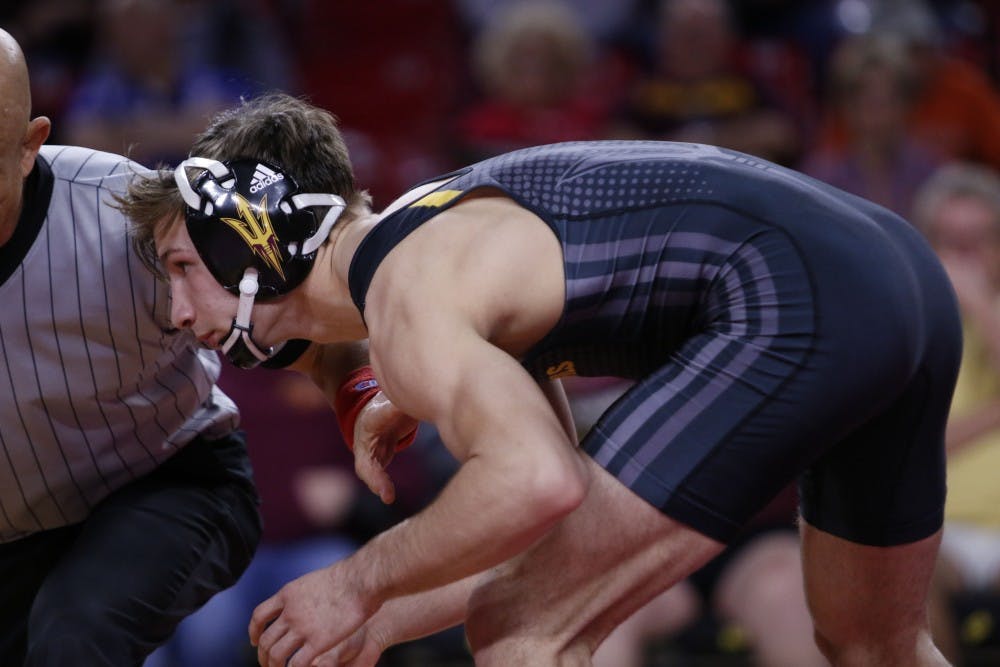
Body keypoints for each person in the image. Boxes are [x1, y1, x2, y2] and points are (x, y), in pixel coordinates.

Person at [121, 92, 962, 667]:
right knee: (874, 648)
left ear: (251, 236)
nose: (180, 309)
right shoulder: (438, 247)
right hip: (895, 276)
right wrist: (373, 617)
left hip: (795, 293)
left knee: (525, 627)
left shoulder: (409, 297)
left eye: (184, 266)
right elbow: (534, 530)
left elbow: (538, 483)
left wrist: (356, 580)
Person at [0, 30, 410, 667]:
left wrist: (362, 402)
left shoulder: (130, 223)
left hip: (164, 487)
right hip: (13, 533)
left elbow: (321, 342)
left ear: (30, 145)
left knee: (73, 640)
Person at [911, 163, 1000, 663]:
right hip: (937, 534)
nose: (963, 258)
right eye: (949, 242)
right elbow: (908, 451)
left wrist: (983, 307)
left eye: (978, 240)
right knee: (896, 574)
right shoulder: (908, 329)